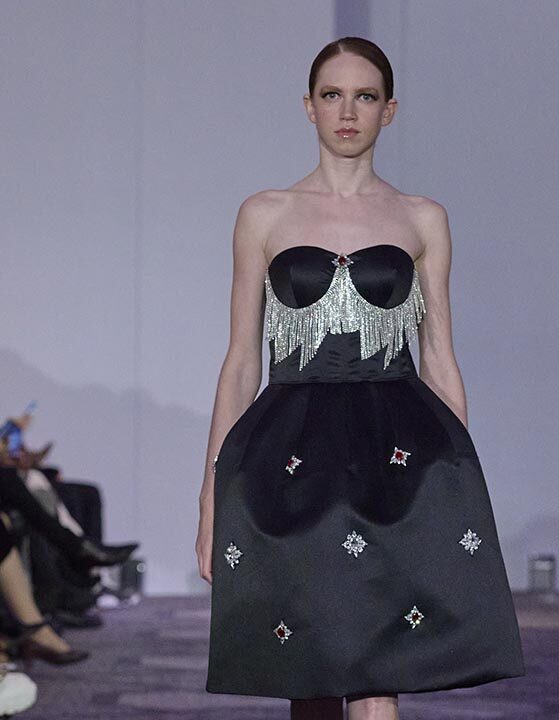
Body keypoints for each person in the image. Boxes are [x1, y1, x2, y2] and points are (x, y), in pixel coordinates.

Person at [196, 37, 525, 720]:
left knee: (382, 659)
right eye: (333, 95)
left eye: (365, 96)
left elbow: (440, 355)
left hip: (395, 453)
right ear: (309, 107)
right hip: (289, 454)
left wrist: (460, 488)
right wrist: (209, 499)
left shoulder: (422, 217)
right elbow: (241, 362)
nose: (348, 112)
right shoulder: (264, 214)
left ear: (389, 110)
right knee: (306, 655)